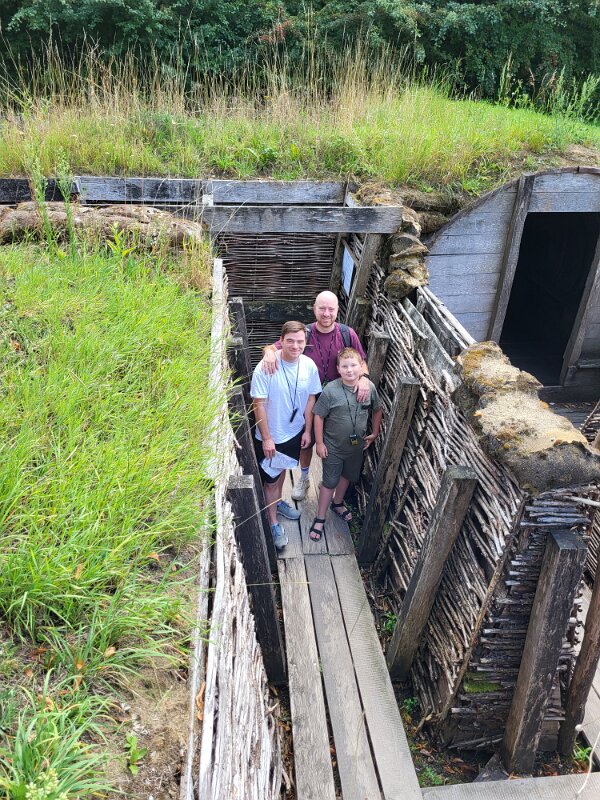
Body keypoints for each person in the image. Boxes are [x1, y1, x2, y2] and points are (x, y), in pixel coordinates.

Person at [260, 290, 370, 501]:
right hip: (309, 398)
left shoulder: (347, 334)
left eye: (331, 309)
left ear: (337, 310)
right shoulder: (305, 334)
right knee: (306, 440)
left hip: (338, 399)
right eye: (322, 308)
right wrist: (269, 353)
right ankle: (304, 477)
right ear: (314, 309)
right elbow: (273, 347)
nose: (326, 313)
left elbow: (362, 362)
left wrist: (364, 378)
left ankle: (331, 481)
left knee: (336, 438)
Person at [250, 321, 322, 549]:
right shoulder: (266, 367)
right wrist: (267, 438)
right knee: (271, 482)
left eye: (300, 341)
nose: (295, 346)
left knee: (281, 471)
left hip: (294, 432)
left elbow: (311, 398)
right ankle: (272, 522)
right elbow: (258, 404)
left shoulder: (309, 365)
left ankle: (277, 503)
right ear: (281, 341)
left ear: (306, 342)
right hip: (272, 435)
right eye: (290, 341)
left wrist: (307, 430)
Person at [309, 347, 382, 541]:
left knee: (347, 475)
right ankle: (320, 517)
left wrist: (375, 432)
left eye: (353, 365)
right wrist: (319, 442)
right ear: (338, 369)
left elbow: (377, 409)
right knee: (329, 481)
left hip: (356, 446)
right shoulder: (331, 391)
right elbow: (318, 416)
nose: (349, 370)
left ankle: (338, 503)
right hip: (333, 447)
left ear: (361, 367)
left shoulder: (369, 388)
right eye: (345, 366)